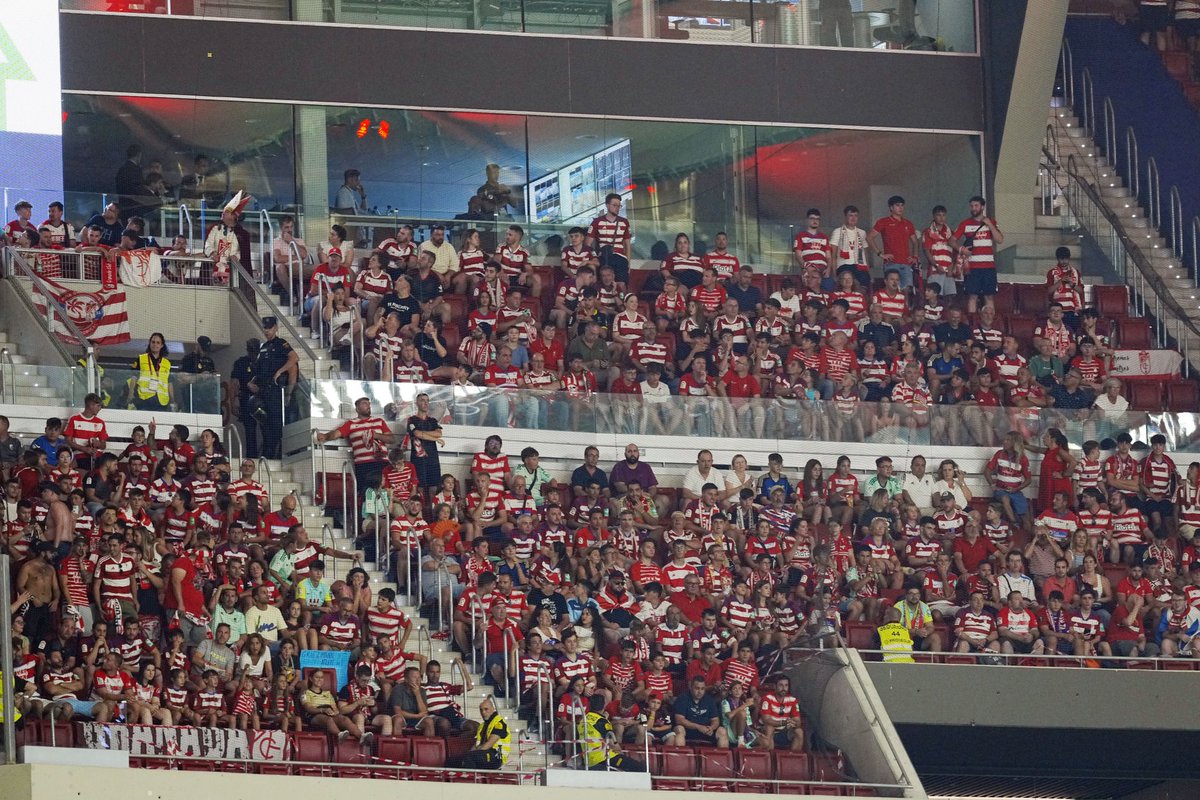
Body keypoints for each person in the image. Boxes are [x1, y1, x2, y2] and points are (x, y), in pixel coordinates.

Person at [316, 397, 393, 500]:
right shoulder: (351, 424)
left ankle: (384, 514)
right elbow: (336, 434)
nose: (368, 406)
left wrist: (376, 435)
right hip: (363, 465)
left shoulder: (379, 421)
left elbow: (391, 439)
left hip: (381, 462)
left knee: (384, 491)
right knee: (366, 494)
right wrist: (325, 436)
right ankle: (369, 515)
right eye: (365, 404)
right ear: (357, 408)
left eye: (369, 404)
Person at [249, 317, 298, 459]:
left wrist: (280, 371)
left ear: (275, 328)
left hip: (275, 391)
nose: (267, 331)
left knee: (275, 425)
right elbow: (259, 370)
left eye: (269, 328)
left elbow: (294, 358)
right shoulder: (263, 347)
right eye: (265, 328)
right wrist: (252, 382)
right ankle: (268, 452)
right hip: (263, 391)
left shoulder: (281, 344)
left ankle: (276, 454)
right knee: (264, 424)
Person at [953, 196, 1003, 314]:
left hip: (989, 267)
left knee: (989, 297)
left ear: (982, 207)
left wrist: (990, 224)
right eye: (971, 206)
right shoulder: (965, 223)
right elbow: (952, 240)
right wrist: (961, 249)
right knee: (972, 296)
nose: (973, 208)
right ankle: (972, 324)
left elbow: (1000, 239)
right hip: (972, 268)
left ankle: (990, 323)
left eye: (976, 206)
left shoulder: (991, 222)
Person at [672, 676, 729, 747]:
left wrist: (711, 728)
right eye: (697, 688)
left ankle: (722, 758)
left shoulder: (709, 700)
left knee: (722, 731)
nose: (700, 692)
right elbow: (679, 720)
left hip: (706, 731)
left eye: (702, 689)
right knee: (679, 729)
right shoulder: (682, 698)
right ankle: (680, 757)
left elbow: (715, 720)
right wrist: (698, 727)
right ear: (691, 687)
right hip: (688, 730)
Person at [457, 696, 511, 770]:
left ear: (493, 709)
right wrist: (465, 756)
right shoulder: (482, 726)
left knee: (470, 757)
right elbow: (476, 745)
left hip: (497, 757)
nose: (483, 712)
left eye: (486, 709)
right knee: (454, 760)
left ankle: (470, 779)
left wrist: (470, 755)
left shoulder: (499, 723)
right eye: (481, 710)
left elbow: (489, 744)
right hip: (484, 754)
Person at [129, 332, 174, 412]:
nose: (155, 345)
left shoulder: (167, 363)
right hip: (144, 398)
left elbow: (169, 382)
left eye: (158, 343)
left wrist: (172, 399)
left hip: (162, 400)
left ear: (162, 345)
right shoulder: (141, 358)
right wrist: (131, 393)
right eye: (153, 342)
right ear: (149, 343)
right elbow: (134, 376)